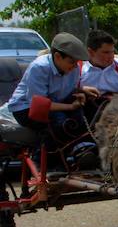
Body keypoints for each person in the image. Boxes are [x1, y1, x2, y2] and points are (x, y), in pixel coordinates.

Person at [6, 32, 101, 169]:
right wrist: (70, 107)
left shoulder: (72, 68)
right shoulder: (39, 68)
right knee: (60, 122)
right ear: (57, 56)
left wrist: (80, 91)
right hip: (26, 108)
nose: (75, 67)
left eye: (77, 63)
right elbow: (40, 104)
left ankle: (85, 152)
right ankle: (46, 164)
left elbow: (66, 90)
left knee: (91, 111)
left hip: (55, 103)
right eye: (72, 62)